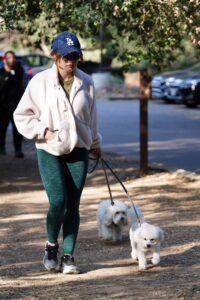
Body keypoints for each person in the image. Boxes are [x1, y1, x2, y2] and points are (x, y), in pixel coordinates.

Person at [14, 31, 102, 274]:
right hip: (49, 149)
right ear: (54, 56)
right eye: (65, 56)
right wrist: (44, 132)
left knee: (73, 205)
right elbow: (21, 116)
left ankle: (69, 256)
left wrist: (95, 142)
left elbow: (92, 117)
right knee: (58, 201)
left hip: (79, 149)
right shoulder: (40, 82)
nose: (70, 61)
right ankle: (51, 245)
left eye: (74, 56)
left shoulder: (87, 82)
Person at [0, 50, 24, 157]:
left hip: (16, 106)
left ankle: (18, 150)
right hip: (3, 106)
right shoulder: (0, 73)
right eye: (10, 58)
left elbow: (21, 86)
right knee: (2, 129)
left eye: (14, 57)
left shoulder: (19, 71)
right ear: (5, 60)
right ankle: (1, 149)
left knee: (17, 130)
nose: (13, 60)